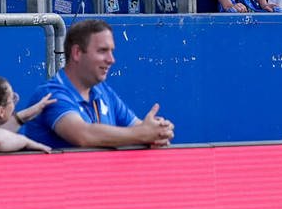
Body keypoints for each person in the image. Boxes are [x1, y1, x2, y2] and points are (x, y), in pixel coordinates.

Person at [21, 19, 175, 149]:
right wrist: (143, 134)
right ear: (77, 53)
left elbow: (138, 128)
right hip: (60, 183)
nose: (111, 59)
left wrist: (158, 132)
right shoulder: (51, 94)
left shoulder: (103, 91)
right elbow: (83, 135)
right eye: (102, 51)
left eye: (112, 51)